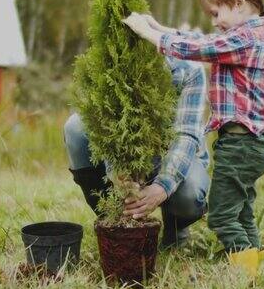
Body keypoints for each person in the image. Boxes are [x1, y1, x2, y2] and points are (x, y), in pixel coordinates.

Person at [122, 0, 264, 278]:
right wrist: (160, 28)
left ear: (238, 3)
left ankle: (246, 275)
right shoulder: (247, 35)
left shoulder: (245, 39)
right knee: (241, 210)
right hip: (250, 144)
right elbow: (204, 41)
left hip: (241, 145)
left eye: (217, 13)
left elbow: (200, 50)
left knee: (221, 216)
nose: (214, 21)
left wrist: (150, 35)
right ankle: (256, 260)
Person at [65, 56, 210, 249]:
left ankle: (176, 227)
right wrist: (117, 173)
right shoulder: (109, 60)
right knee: (75, 127)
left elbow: (185, 136)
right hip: (127, 152)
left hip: (175, 155)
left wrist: (162, 188)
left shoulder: (188, 69)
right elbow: (106, 124)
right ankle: (115, 222)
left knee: (189, 195)